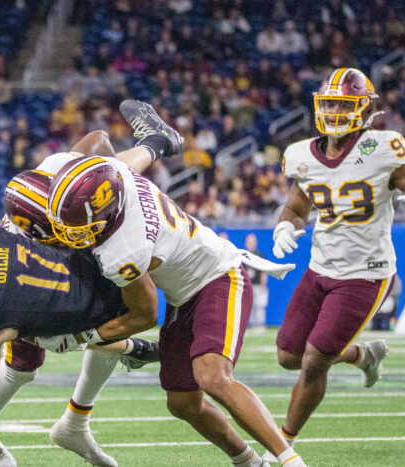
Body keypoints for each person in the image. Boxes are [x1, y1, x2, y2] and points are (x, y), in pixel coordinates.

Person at [45, 101, 303, 467]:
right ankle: (247, 462)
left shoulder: (125, 249)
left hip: (218, 276)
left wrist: (81, 337)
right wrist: (153, 145)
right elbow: (100, 145)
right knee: (181, 402)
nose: (73, 236)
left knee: (212, 377)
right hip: (184, 294)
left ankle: (290, 460)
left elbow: (145, 314)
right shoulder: (113, 178)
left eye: (80, 228)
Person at [269, 67, 405, 455]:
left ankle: (281, 446)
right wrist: (285, 226)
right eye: (329, 102)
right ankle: (363, 355)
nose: (333, 111)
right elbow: (296, 207)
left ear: (364, 109)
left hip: (365, 273)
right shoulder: (302, 155)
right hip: (319, 268)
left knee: (314, 360)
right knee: (288, 356)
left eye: (343, 104)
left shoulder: (383, 148)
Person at [0, 223, 159, 467]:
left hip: (94, 308)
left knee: (52, 340)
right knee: (36, 339)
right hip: (90, 262)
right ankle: (133, 350)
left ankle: (133, 349)